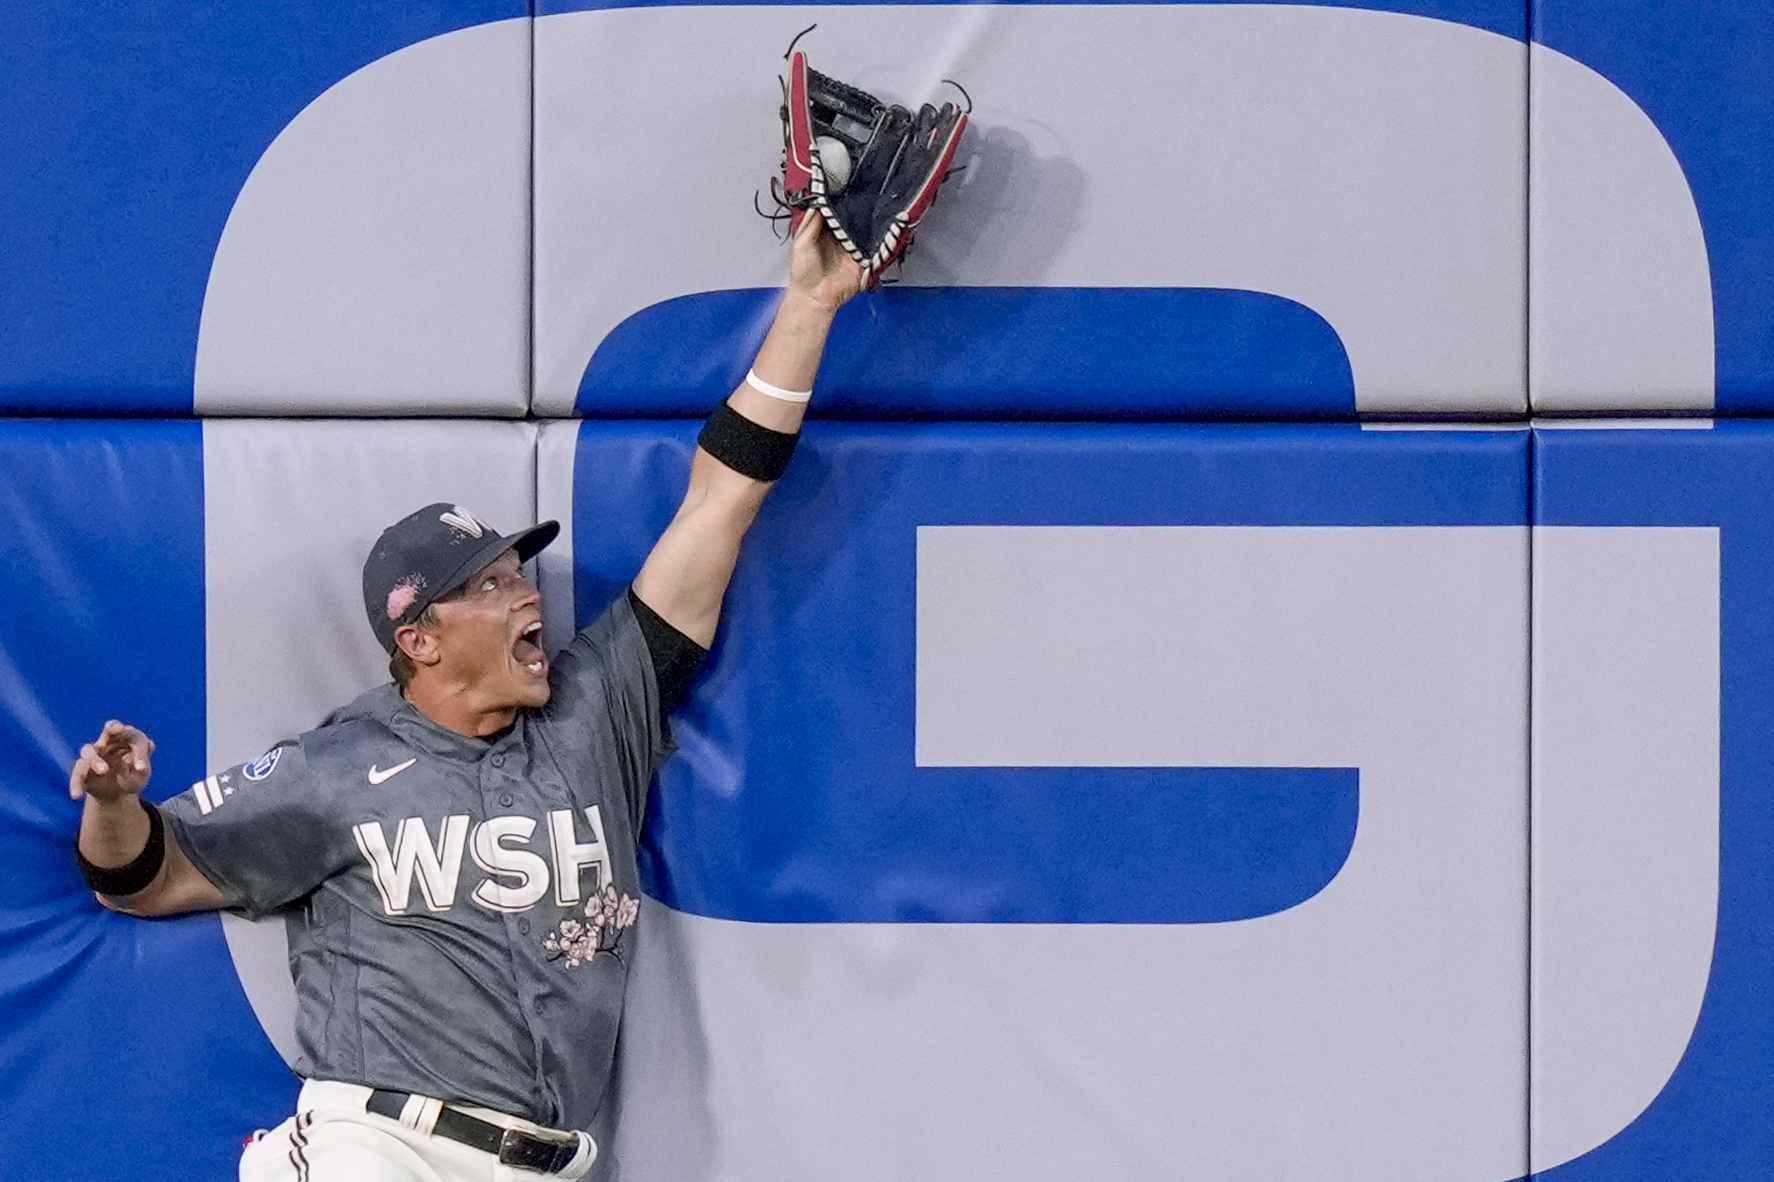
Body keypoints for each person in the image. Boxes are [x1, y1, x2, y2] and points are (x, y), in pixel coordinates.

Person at [67, 213, 863, 1180]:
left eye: (518, 572)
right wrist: (112, 806)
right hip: (379, 1146)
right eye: (487, 584)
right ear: (419, 639)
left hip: (546, 1162)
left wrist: (812, 305)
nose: (527, 590)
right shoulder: (337, 767)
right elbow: (139, 878)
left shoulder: (597, 711)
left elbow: (720, 500)